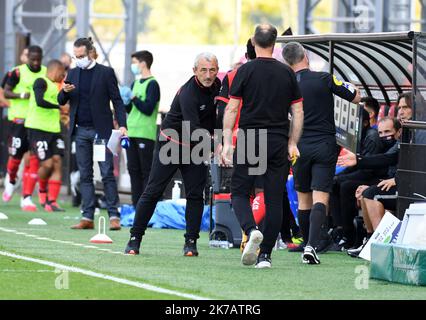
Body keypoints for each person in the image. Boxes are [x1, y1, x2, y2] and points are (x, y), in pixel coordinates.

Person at [221, 24, 304, 269]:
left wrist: (227, 142)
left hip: (250, 137)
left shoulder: (245, 71)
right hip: (278, 139)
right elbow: (298, 112)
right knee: (275, 197)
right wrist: (292, 143)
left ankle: (250, 230)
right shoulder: (287, 72)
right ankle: (265, 255)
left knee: (239, 191)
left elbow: (232, 108)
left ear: (254, 42)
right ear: (275, 43)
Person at [124, 52, 221, 256]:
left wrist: (221, 139)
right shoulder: (188, 93)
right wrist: (218, 147)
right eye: (203, 70)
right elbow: (194, 129)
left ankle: (191, 243)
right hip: (172, 144)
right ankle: (135, 239)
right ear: (195, 71)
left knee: (196, 195)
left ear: (217, 70)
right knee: (153, 191)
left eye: (212, 70)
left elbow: (217, 118)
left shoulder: (217, 86)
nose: (208, 74)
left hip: (195, 146)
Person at [282, 41, 361, 264]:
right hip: (324, 146)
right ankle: (310, 246)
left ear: (288, 63)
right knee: (321, 198)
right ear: (305, 56)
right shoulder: (323, 78)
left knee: (304, 199)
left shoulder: (285, 85)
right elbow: (355, 96)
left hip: (298, 147)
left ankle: (307, 243)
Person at [58, 37, 127, 230]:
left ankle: (114, 215)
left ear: (90, 53)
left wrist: (122, 124)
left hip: (101, 132)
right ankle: (87, 216)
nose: (78, 59)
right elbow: (61, 101)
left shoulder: (105, 73)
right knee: (85, 174)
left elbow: (117, 101)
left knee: (106, 173)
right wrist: (64, 90)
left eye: (81, 55)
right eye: (75, 56)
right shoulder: (72, 72)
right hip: (80, 131)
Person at [337, 117, 401, 257]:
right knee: (365, 191)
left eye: (387, 132)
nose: (384, 136)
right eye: (381, 132)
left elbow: (389, 160)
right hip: (390, 181)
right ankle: (368, 240)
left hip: (408, 186)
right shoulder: (400, 141)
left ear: (398, 131)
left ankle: (380, 249)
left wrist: (397, 179)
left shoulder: (415, 137)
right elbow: (387, 158)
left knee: (371, 194)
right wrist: (358, 160)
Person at [329, 106, 383, 249]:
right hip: (366, 174)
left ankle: (349, 234)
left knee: (345, 185)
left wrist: (340, 178)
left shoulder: (372, 137)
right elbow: (356, 164)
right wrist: (337, 176)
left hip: (377, 177)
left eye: (354, 122)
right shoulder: (360, 136)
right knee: (333, 181)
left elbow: (368, 169)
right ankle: (339, 229)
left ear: (365, 123)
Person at [2, 45, 46, 211]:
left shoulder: (45, 72)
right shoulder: (17, 72)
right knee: (15, 158)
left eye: (38, 60)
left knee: (34, 159)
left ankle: (26, 197)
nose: (35, 62)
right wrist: (22, 95)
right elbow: (6, 92)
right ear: (27, 58)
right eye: (32, 59)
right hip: (18, 121)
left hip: (37, 122)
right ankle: (11, 180)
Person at [25, 60, 66, 211]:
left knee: (57, 162)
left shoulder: (58, 87)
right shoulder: (40, 81)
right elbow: (40, 101)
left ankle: (52, 202)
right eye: (62, 73)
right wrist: (59, 107)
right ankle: (42, 190)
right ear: (55, 70)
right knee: (47, 165)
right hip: (38, 129)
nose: (63, 77)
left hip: (54, 131)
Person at [121, 50, 160, 208]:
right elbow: (131, 109)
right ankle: (135, 204)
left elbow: (148, 108)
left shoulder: (153, 84)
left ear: (143, 63)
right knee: (133, 170)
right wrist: (125, 101)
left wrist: (133, 98)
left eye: (135, 62)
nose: (133, 66)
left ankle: (145, 206)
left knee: (145, 171)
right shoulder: (135, 83)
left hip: (145, 133)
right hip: (131, 132)